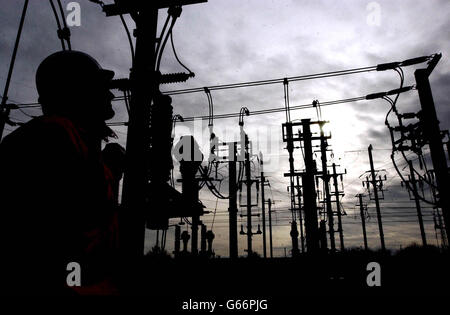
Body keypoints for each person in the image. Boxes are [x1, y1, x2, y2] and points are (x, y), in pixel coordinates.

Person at [0, 50, 122, 295]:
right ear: (77, 92)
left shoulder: (75, 142)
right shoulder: (51, 137)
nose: (109, 94)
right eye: (100, 87)